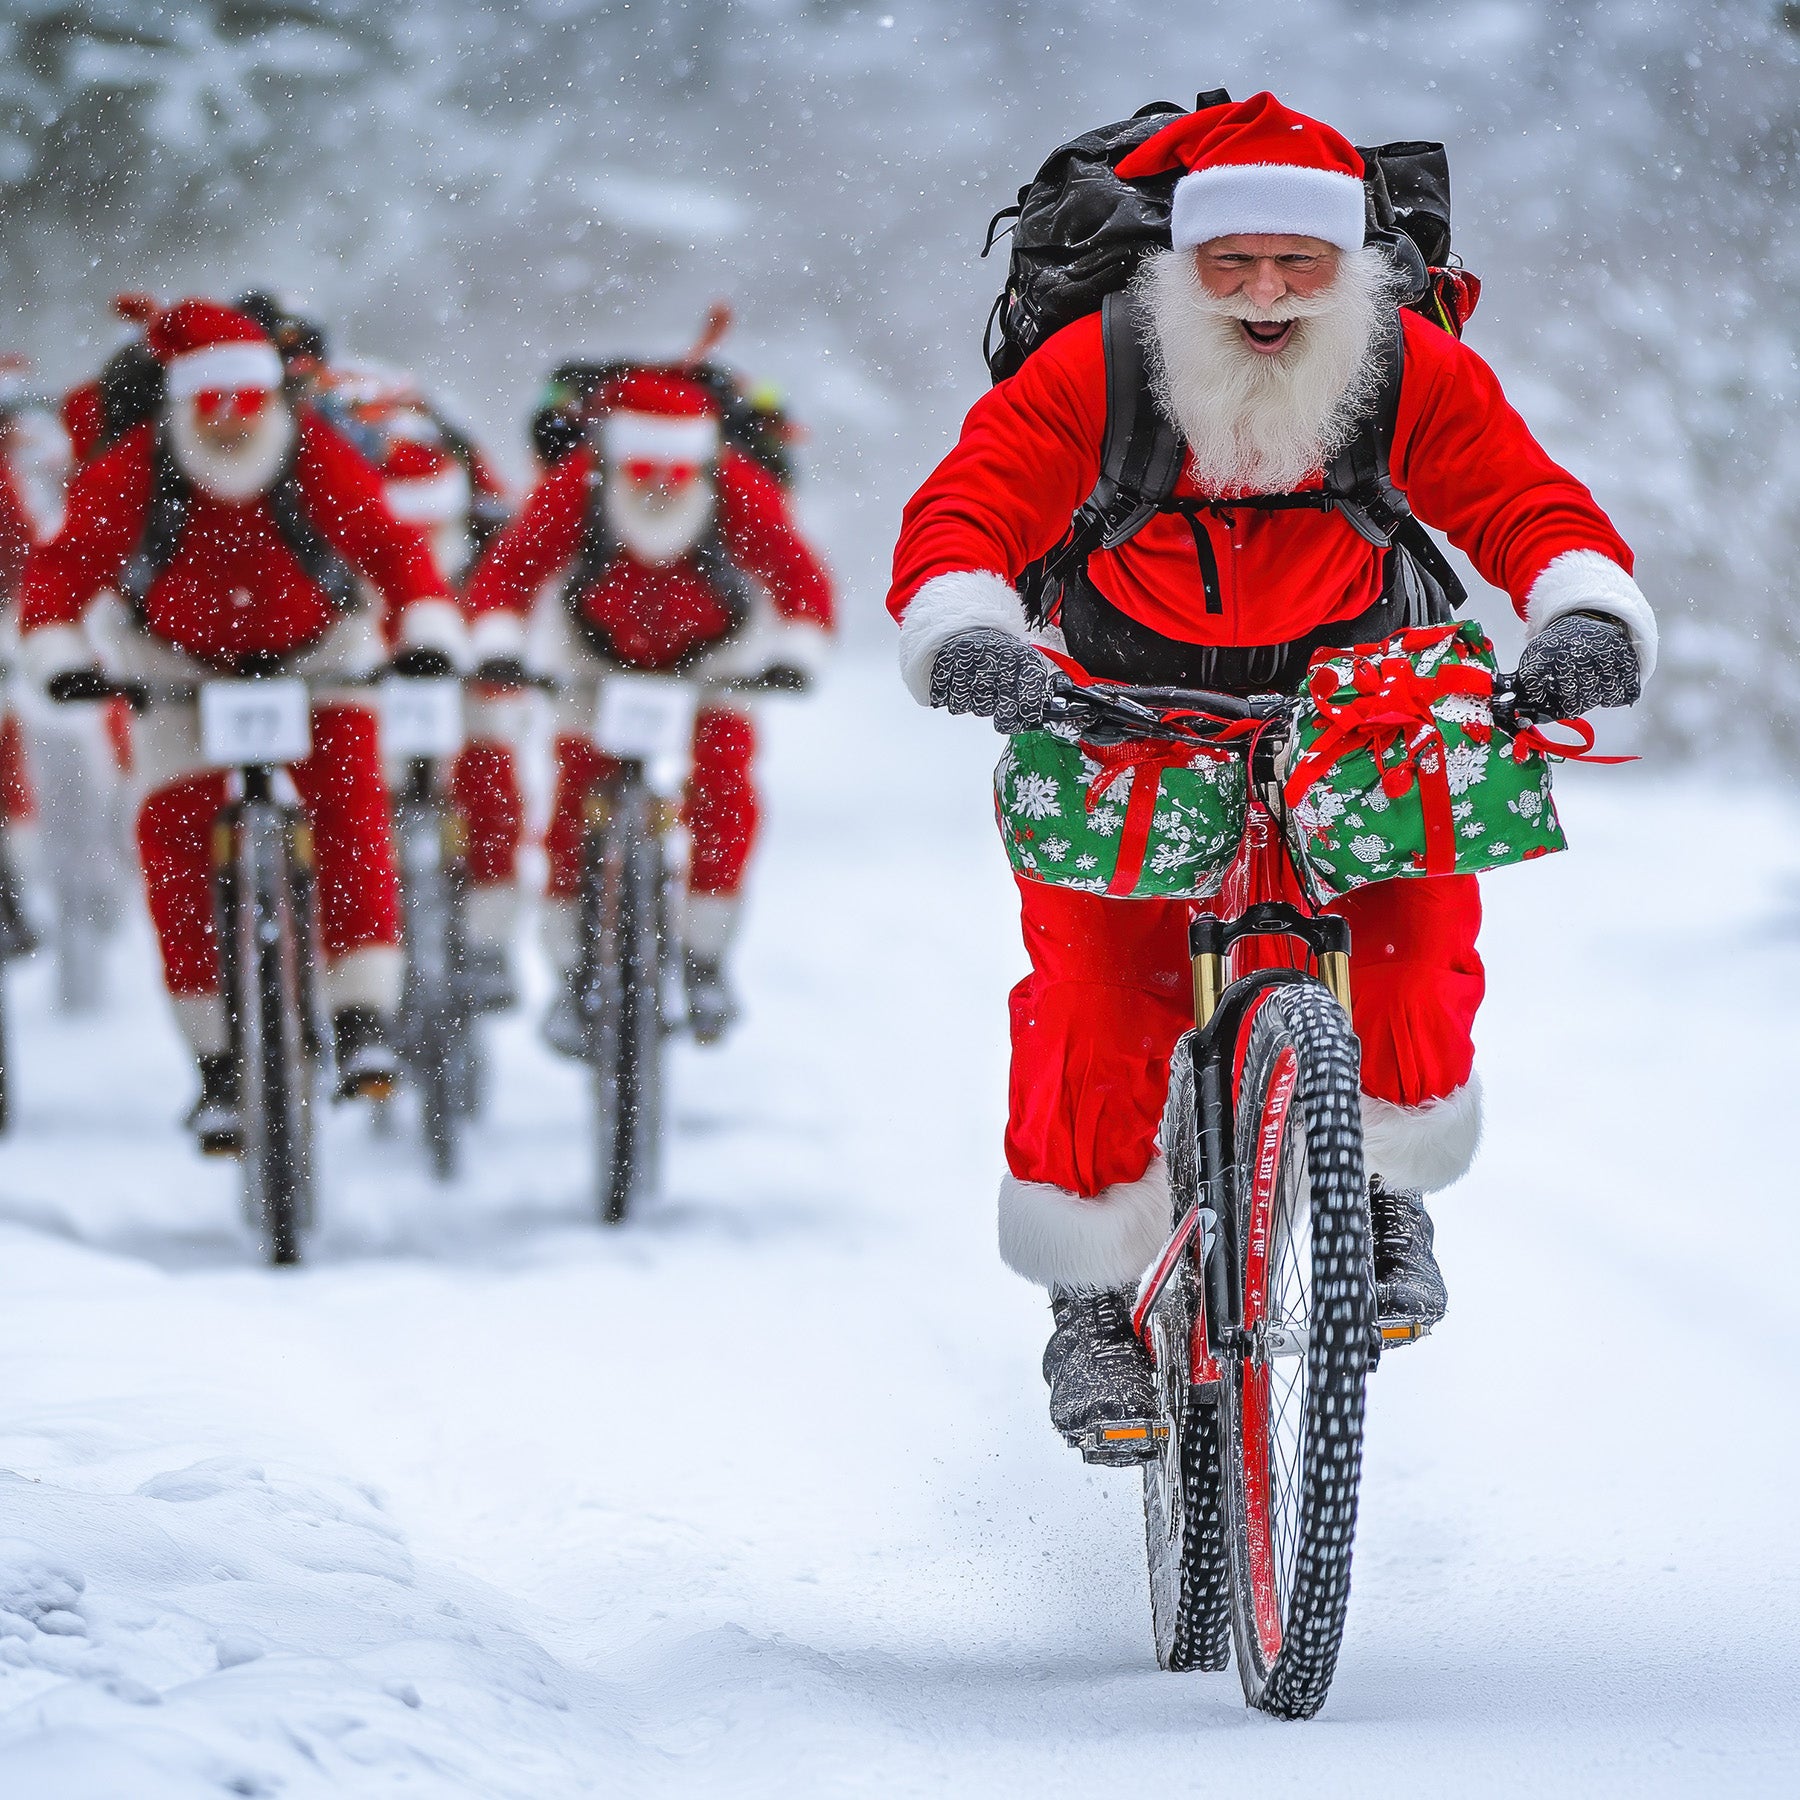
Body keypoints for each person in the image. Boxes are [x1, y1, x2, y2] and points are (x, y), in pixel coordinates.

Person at [888, 93, 1654, 1459]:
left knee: (1415, 928)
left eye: (1297, 266)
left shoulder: (1404, 365)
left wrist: (1582, 610)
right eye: (1229, 265)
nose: (1263, 296)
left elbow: (1522, 498)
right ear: (1178, 268)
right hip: (1118, 693)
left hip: (1361, 687)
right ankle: (1089, 1293)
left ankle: (1384, 1188)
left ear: (1348, 268)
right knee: (1098, 982)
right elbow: (972, 505)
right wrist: (967, 633)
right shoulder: (1100, 366)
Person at [17, 298, 467, 1153]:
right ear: (182, 403)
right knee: (174, 837)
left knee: (349, 812)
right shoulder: (139, 468)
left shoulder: (313, 454)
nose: (230, 425)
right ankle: (219, 1062)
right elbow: (65, 568)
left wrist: (425, 630)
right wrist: (60, 653)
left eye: (245, 405)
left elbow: (390, 546)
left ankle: (362, 1008)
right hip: (177, 667)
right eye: (209, 407)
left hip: (320, 654)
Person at [463, 363, 833, 1043]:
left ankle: (704, 954)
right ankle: (574, 970)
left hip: (716, 655)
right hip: (594, 655)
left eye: (678, 472)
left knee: (724, 790)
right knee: (575, 800)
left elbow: (799, 580)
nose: (661, 484)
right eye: (643, 471)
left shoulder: (736, 486)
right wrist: (498, 643)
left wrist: (794, 654)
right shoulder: (580, 483)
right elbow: (508, 575)